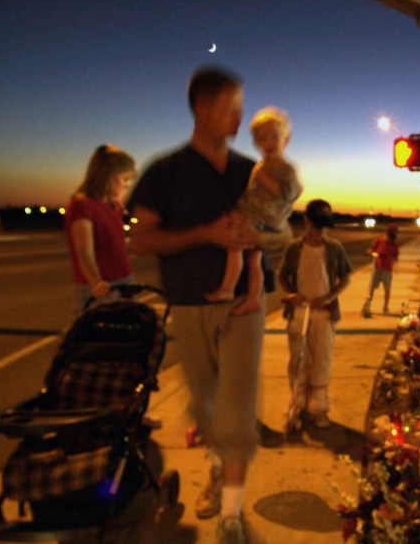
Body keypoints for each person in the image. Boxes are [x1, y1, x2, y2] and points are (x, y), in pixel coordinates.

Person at [128, 65, 264, 544]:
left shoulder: (253, 172)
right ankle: (213, 465)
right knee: (204, 408)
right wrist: (205, 234)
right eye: (231, 107)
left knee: (237, 411)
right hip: (188, 305)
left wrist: (261, 238)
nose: (239, 117)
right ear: (203, 108)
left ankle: (231, 512)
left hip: (245, 306)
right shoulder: (164, 173)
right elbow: (142, 240)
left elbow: (280, 230)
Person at [206, 105, 302, 315]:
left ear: (286, 140)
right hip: (260, 216)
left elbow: (291, 193)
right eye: (262, 138)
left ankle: (227, 288)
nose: (268, 143)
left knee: (235, 247)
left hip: (261, 217)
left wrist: (264, 179)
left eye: (274, 137)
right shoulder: (261, 165)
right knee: (253, 262)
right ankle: (252, 299)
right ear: (256, 142)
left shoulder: (283, 168)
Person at [278, 199, 352, 431]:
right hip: (299, 313)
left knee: (321, 359)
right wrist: (292, 294)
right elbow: (282, 277)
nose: (320, 230)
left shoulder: (334, 248)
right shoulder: (293, 249)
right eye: (316, 225)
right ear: (306, 221)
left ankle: (318, 407)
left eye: (324, 226)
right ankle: (297, 404)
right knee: (298, 361)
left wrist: (329, 297)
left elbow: (345, 277)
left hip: (324, 314)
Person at [63, 143, 137, 312]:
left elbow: (115, 242)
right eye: (125, 179)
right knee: (103, 337)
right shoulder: (81, 206)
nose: (127, 185)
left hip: (125, 280)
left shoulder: (113, 204)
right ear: (109, 176)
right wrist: (96, 282)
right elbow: (84, 252)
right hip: (103, 287)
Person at [362, 224, 399, 316]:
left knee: (387, 289)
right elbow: (371, 250)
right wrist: (375, 254)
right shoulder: (379, 241)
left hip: (387, 269)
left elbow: (396, 257)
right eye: (390, 237)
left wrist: (394, 264)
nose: (390, 240)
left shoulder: (394, 245)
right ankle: (368, 305)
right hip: (377, 268)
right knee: (372, 288)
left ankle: (385, 307)